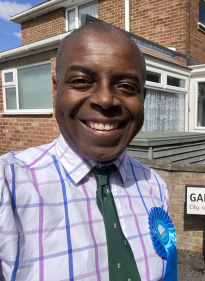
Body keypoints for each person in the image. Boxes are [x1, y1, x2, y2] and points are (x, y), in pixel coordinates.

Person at [0, 23, 172, 281]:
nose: (105, 100)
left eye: (126, 86)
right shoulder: (8, 186)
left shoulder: (155, 186)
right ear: (55, 90)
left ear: (143, 97)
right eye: (81, 81)